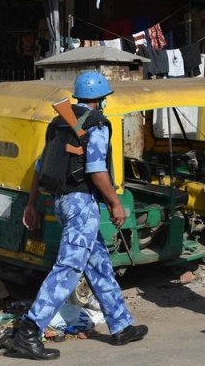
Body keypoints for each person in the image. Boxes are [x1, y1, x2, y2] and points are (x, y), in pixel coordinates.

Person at [9, 71, 148, 360]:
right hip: (81, 205)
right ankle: (29, 332)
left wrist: (32, 204)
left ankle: (121, 325)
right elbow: (96, 169)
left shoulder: (60, 122)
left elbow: (39, 168)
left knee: (98, 263)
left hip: (61, 201)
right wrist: (115, 203)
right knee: (68, 269)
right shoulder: (96, 125)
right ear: (101, 99)